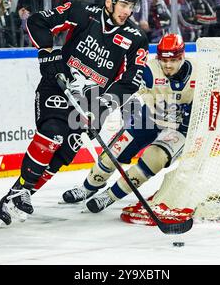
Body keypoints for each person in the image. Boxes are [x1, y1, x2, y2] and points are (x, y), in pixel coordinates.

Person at [0, 0, 149, 226]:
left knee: (65, 151)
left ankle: (17, 196)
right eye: (124, 5)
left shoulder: (136, 38)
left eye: (131, 6)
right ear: (109, 1)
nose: (128, 11)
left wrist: (101, 107)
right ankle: (20, 192)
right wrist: (47, 53)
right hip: (58, 85)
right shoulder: (82, 12)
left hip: (90, 103)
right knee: (53, 133)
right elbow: (37, 21)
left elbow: (130, 82)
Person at [61, 34, 196, 214]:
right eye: (164, 60)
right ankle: (88, 188)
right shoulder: (149, 70)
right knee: (114, 151)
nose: (168, 65)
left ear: (182, 57)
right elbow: (125, 90)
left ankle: (110, 196)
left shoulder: (200, 74)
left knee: (154, 159)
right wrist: (98, 113)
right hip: (150, 119)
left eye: (173, 60)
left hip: (180, 128)